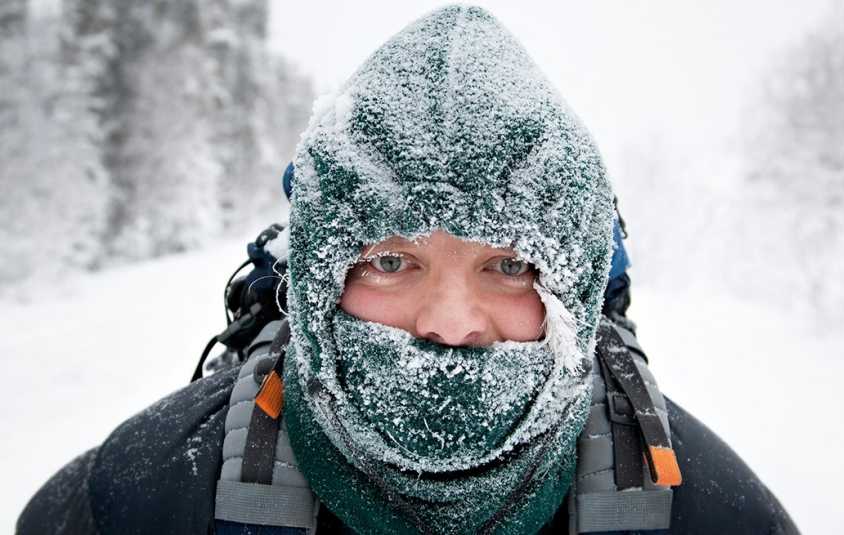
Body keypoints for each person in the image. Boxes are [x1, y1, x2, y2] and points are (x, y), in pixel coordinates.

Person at [17, 6, 798, 534]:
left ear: (577, 292)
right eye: (391, 260)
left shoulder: (715, 513)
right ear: (319, 278)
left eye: (511, 265)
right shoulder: (137, 500)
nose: (449, 321)